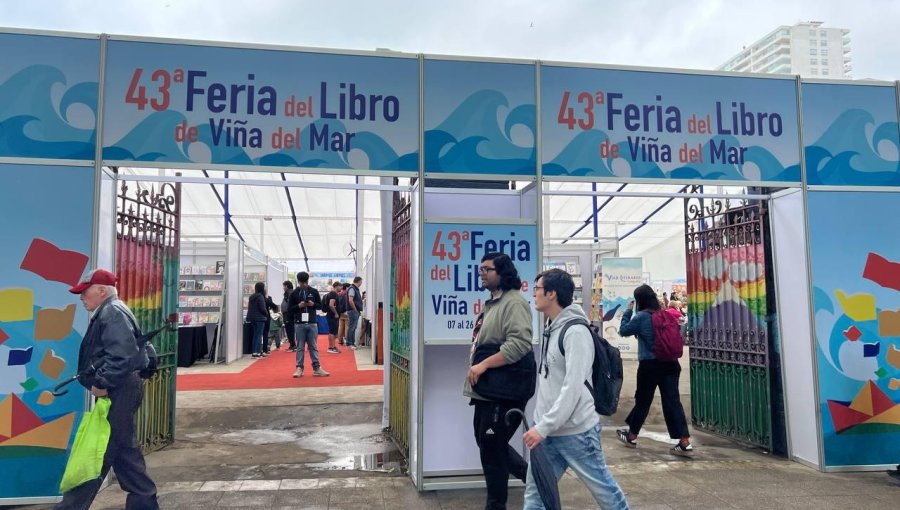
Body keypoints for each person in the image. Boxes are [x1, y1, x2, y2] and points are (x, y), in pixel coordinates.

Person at [524, 269, 629, 510]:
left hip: (577, 433)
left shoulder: (576, 333)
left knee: (605, 492)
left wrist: (543, 426)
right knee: (535, 496)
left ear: (552, 294)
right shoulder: (552, 327)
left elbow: (572, 388)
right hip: (548, 433)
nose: (534, 294)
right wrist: (542, 424)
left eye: (537, 289)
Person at [57, 269, 159, 510]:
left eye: (85, 292)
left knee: (98, 450)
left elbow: (122, 355)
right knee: (123, 452)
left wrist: (102, 383)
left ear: (101, 291)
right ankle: (144, 502)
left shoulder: (111, 312)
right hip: (122, 389)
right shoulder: (114, 309)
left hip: (118, 391)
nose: (81, 297)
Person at [463, 252, 532, 510]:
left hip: (503, 392)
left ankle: (496, 505)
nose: (481, 273)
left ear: (502, 273)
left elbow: (519, 344)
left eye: (486, 269)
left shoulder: (513, 303)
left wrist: (483, 364)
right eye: (480, 269)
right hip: (488, 391)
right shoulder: (493, 302)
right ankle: (533, 477)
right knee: (489, 444)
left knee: (492, 450)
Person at [617, 283, 693, 456]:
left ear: (639, 300)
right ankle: (684, 441)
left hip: (650, 365)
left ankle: (632, 435)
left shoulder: (642, 317)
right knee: (673, 401)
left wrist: (628, 312)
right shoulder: (664, 314)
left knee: (643, 400)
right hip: (671, 364)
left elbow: (623, 331)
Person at [288, 272, 329, 377]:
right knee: (300, 347)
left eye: (305, 283)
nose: (303, 285)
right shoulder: (294, 293)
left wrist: (313, 304)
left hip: (312, 323)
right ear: (298, 282)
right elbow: (289, 309)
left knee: (313, 347)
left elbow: (320, 306)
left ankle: (317, 368)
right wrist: (298, 306)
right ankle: (299, 368)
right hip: (299, 323)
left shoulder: (314, 292)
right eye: (302, 283)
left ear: (307, 281)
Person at [246, 282, 269, 358]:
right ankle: (258, 352)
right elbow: (262, 308)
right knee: (259, 335)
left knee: (255, 335)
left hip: (252, 318)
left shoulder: (252, 297)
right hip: (260, 318)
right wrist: (266, 314)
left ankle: (254, 351)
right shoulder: (260, 297)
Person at [323, 281, 343, 354]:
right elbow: (331, 304)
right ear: (336, 286)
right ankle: (331, 347)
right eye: (340, 286)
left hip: (331, 315)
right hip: (332, 315)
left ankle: (333, 346)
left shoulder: (333, 294)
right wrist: (336, 313)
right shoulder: (333, 294)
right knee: (332, 331)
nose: (341, 288)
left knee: (333, 331)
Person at [345, 276, 364, 351]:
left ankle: (352, 343)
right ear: (358, 281)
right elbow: (350, 300)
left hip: (353, 311)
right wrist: (355, 309)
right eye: (361, 282)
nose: (361, 284)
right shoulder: (352, 289)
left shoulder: (353, 289)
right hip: (353, 311)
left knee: (353, 327)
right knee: (352, 327)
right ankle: (349, 344)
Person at [282, 281, 296, 352]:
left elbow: (289, 304)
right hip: (288, 314)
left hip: (288, 314)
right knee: (290, 329)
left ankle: (293, 345)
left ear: (286, 286)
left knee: (290, 330)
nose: (283, 288)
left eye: (284, 286)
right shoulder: (290, 293)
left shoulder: (289, 293)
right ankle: (292, 345)